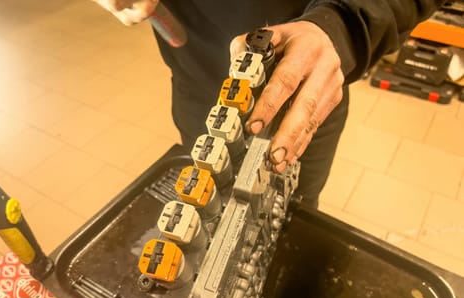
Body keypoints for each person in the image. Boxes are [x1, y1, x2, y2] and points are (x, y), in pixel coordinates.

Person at [94, 0, 443, 207]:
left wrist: (345, 24)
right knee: (209, 206)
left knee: (288, 221)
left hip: (302, 85)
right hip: (198, 85)